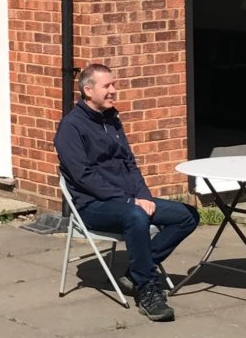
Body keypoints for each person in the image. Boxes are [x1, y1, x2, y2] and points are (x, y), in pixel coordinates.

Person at [54, 62, 197, 322]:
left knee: (187, 215)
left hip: (129, 201)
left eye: (113, 84)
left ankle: (134, 273)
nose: (113, 90)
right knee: (136, 217)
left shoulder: (112, 120)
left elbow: (130, 163)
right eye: (107, 86)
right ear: (88, 90)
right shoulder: (70, 128)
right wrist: (130, 201)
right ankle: (147, 289)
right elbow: (84, 178)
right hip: (93, 207)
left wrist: (142, 194)